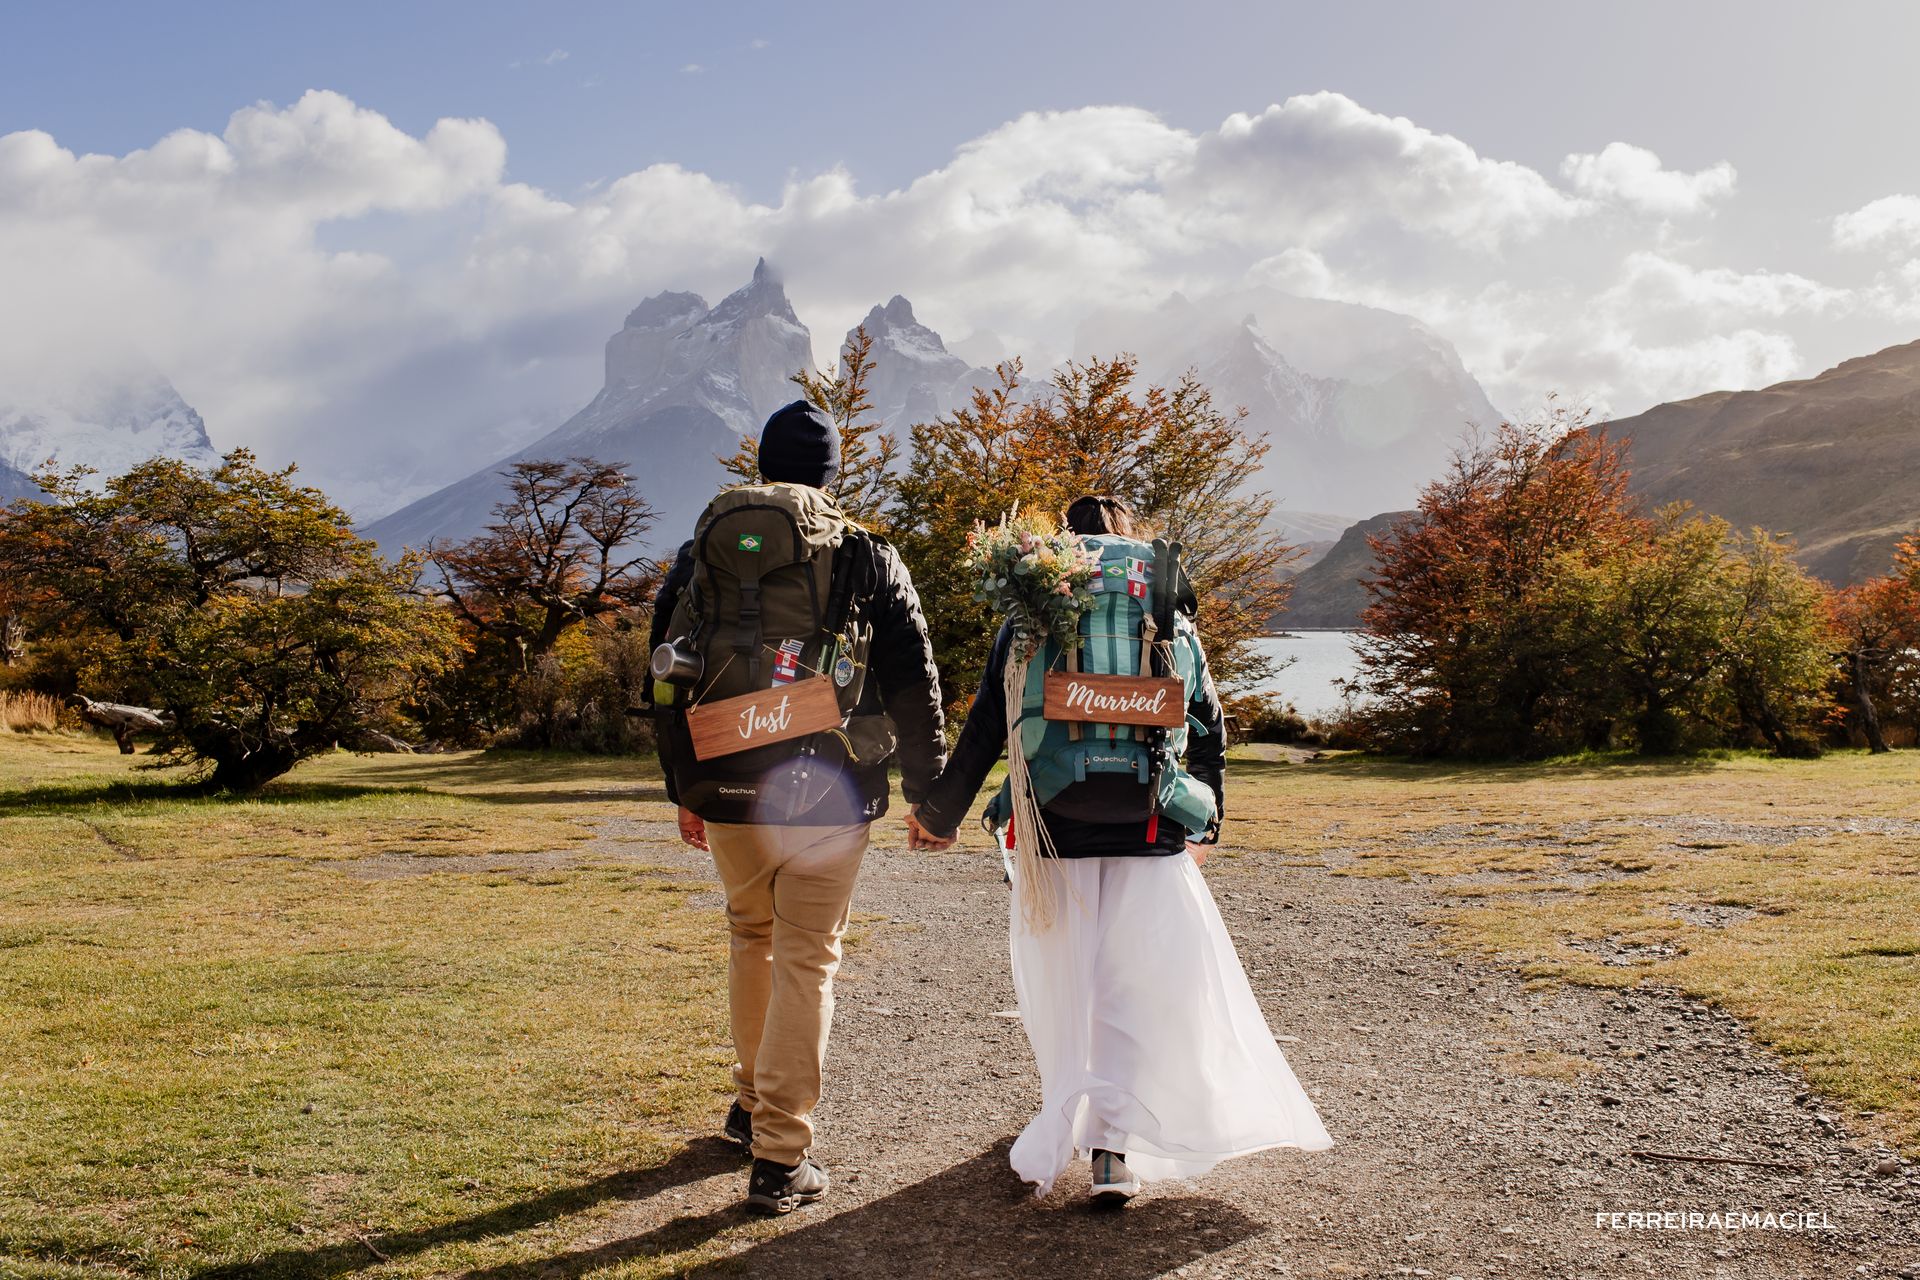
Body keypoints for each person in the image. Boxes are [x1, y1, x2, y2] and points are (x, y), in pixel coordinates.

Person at [908, 494, 1331, 1203]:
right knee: (1132, 992)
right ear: (1130, 544)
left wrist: (939, 814)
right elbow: (1208, 726)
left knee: (1068, 989)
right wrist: (1206, 825)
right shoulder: (1164, 616)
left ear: (1061, 547)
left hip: (1054, 828)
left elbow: (987, 724)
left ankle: (1062, 1122)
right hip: (1150, 825)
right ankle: (1112, 1152)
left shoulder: (1030, 616)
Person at [650, 400, 949, 1215]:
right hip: (829, 787)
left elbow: (662, 671)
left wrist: (684, 786)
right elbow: (914, 678)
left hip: (723, 779)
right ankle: (782, 1157)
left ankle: (751, 1108)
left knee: (751, 936)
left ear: (762, 467)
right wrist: (929, 794)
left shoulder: (702, 551)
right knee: (807, 957)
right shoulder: (864, 554)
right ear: (830, 476)